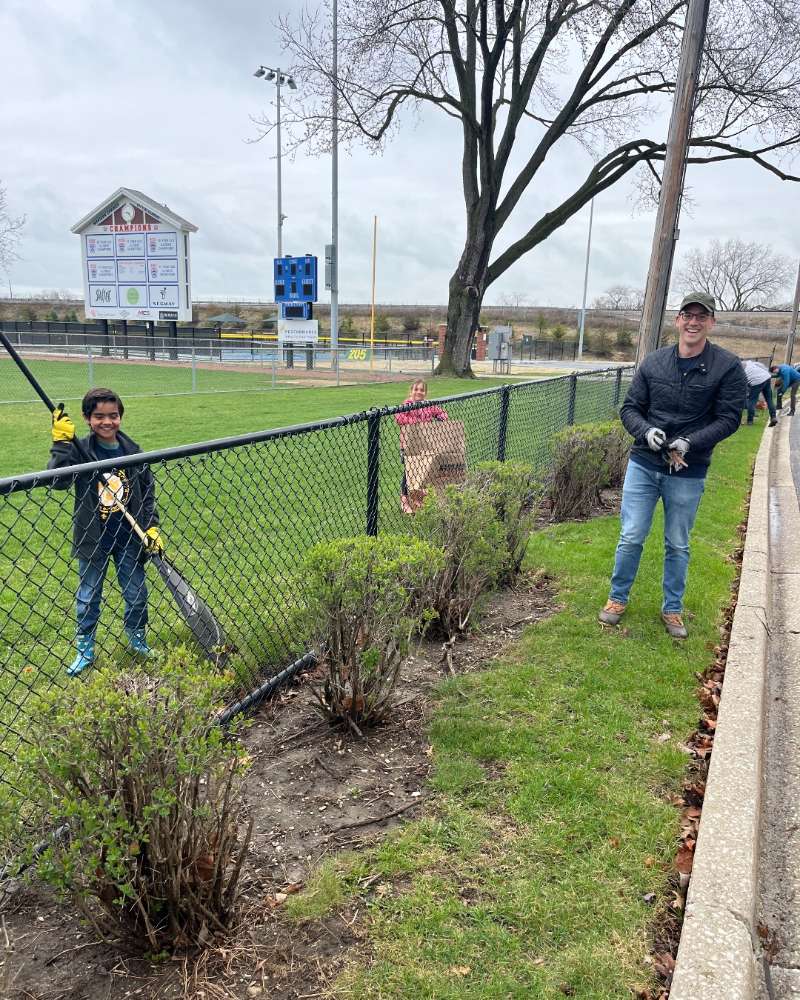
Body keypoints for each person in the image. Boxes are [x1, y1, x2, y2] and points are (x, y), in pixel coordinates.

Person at [598, 292, 746, 639]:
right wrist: (646, 431)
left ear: (711, 323)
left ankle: (673, 608)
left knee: (678, 542)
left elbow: (729, 418)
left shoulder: (727, 366)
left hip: (687, 470)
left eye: (701, 317)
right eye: (687, 315)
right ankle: (617, 598)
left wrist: (690, 442)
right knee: (631, 535)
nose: (693, 322)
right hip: (644, 463)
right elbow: (630, 408)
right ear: (678, 320)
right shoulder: (654, 362)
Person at [48, 387, 164, 675]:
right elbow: (58, 482)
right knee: (88, 596)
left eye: (113, 416)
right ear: (87, 418)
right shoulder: (80, 451)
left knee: (137, 594)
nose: (107, 422)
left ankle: (137, 640)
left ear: (120, 417)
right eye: (99, 416)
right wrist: (61, 444)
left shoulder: (132, 451)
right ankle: (85, 650)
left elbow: (147, 492)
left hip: (129, 538)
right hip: (93, 538)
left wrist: (151, 527)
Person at [394, 379, 449, 514]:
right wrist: (418, 422)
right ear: (411, 391)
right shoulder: (407, 405)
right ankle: (404, 500)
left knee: (423, 471)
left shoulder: (428, 405)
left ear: (425, 393)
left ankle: (418, 498)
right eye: (416, 389)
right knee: (409, 473)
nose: (419, 392)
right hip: (409, 445)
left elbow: (442, 413)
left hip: (425, 445)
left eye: (422, 390)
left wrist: (440, 417)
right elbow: (399, 418)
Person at [741, 359, 778, 426]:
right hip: (766, 377)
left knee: (752, 401)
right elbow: (762, 365)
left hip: (756, 382)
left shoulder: (738, 369)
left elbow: (743, 383)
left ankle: (750, 421)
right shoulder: (750, 362)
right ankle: (773, 417)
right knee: (769, 399)